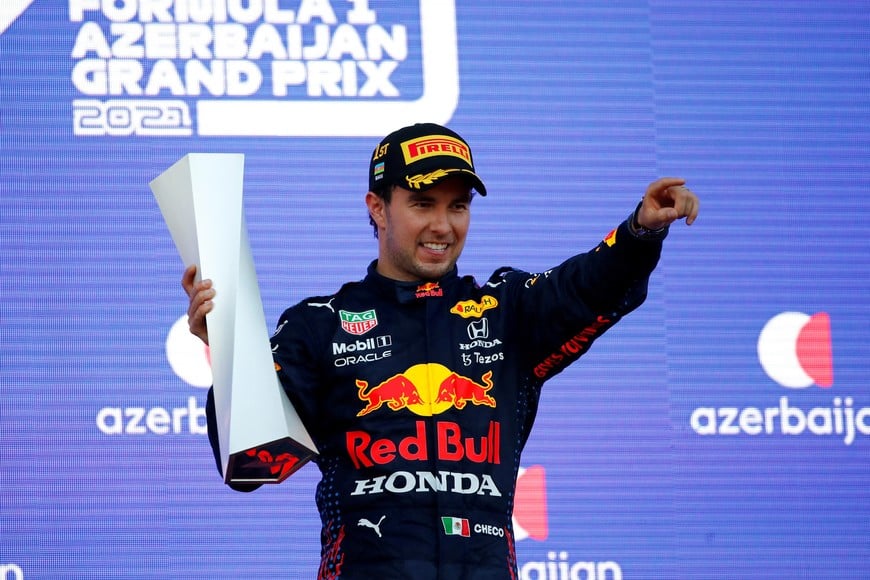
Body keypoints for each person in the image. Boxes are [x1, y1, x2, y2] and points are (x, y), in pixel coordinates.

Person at [182, 122, 699, 579]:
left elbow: (586, 286)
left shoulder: (507, 311)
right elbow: (251, 464)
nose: (442, 225)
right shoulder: (319, 326)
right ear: (377, 208)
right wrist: (227, 355)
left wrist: (639, 233)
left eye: (458, 206)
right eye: (422, 203)